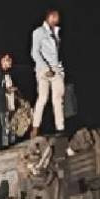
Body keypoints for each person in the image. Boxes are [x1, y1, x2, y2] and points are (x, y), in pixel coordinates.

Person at [30, 9, 65, 137]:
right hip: (43, 68)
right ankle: (35, 127)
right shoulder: (39, 32)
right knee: (43, 97)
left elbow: (57, 54)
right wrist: (45, 68)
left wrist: (59, 69)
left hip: (56, 68)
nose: (57, 20)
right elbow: (34, 52)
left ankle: (60, 128)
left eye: (57, 17)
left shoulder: (56, 32)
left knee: (58, 98)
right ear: (49, 17)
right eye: (55, 17)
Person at [0, 53, 19, 146]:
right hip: (3, 105)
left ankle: (13, 144)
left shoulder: (9, 74)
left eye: (10, 59)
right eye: (7, 59)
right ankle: (6, 146)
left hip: (11, 103)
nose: (10, 61)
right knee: (6, 127)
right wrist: (6, 90)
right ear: (2, 61)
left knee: (13, 125)